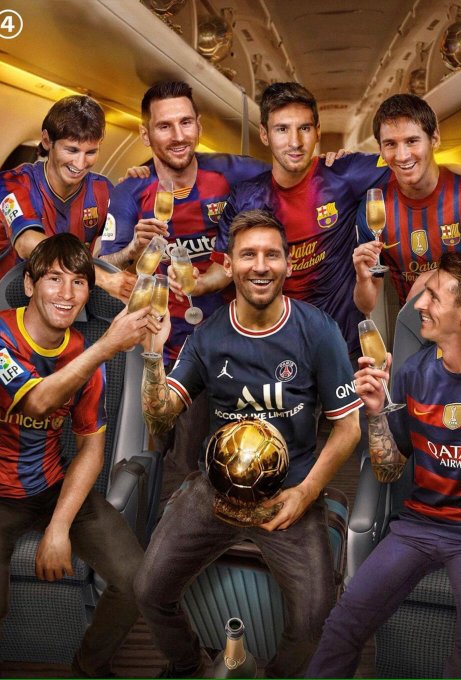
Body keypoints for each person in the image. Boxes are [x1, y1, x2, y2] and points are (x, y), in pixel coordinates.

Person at [135, 209, 362, 678]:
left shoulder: (318, 330)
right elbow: (160, 415)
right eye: (248, 255)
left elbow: (349, 428)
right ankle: (189, 667)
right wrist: (154, 355)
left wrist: (305, 493)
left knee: (316, 618)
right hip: (214, 490)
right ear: (230, 265)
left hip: (289, 493)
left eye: (271, 255)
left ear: (288, 265)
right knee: (148, 590)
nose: (260, 266)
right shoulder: (208, 335)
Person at [307, 252, 461, 679]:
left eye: (432, 296)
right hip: (419, 525)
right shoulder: (413, 373)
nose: (419, 304)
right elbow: (389, 470)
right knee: (342, 625)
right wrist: (375, 413)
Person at [189, 82, 461, 360]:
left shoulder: (344, 173)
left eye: (304, 128)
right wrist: (199, 284)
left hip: (340, 343)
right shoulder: (246, 197)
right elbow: (222, 268)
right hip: (273, 344)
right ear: (264, 135)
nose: (295, 141)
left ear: (317, 131)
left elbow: (413, 163)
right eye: (282, 129)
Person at [0, 234, 153, 678]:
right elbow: (38, 401)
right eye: (54, 279)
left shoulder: (83, 353)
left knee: (139, 581)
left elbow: (91, 447)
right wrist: (106, 347)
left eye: (79, 282)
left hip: (51, 486)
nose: (66, 293)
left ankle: (87, 668)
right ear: (29, 285)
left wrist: (59, 525)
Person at [99, 80, 269, 500]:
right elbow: (102, 266)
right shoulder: (130, 191)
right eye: (164, 126)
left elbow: (292, 168)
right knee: (163, 456)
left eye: (186, 123)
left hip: (225, 342)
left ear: (199, 126)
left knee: (203, 458)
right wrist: (132, 250)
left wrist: (334, 159)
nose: (178, 136)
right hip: (157, 345)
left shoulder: (231, 174)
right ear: (145, 135)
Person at [353, 93, 461, 316]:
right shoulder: (374, 208)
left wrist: (442, 275)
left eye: (412, 141)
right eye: (390, 144)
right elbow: (367, 304)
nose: (402, 155)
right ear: (381, 150)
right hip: (416, 326)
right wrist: (362, 278)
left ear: (434, 139)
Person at [0, 95, 136, 305]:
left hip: (63, 307)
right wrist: (103, 279)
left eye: (91, 152)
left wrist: (134, 246)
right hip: (1, 306)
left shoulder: (102, 190)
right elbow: (27, 243)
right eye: (71, 150)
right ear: (47, 141)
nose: (80, 164)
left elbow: (110, 257)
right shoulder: (14, 183)